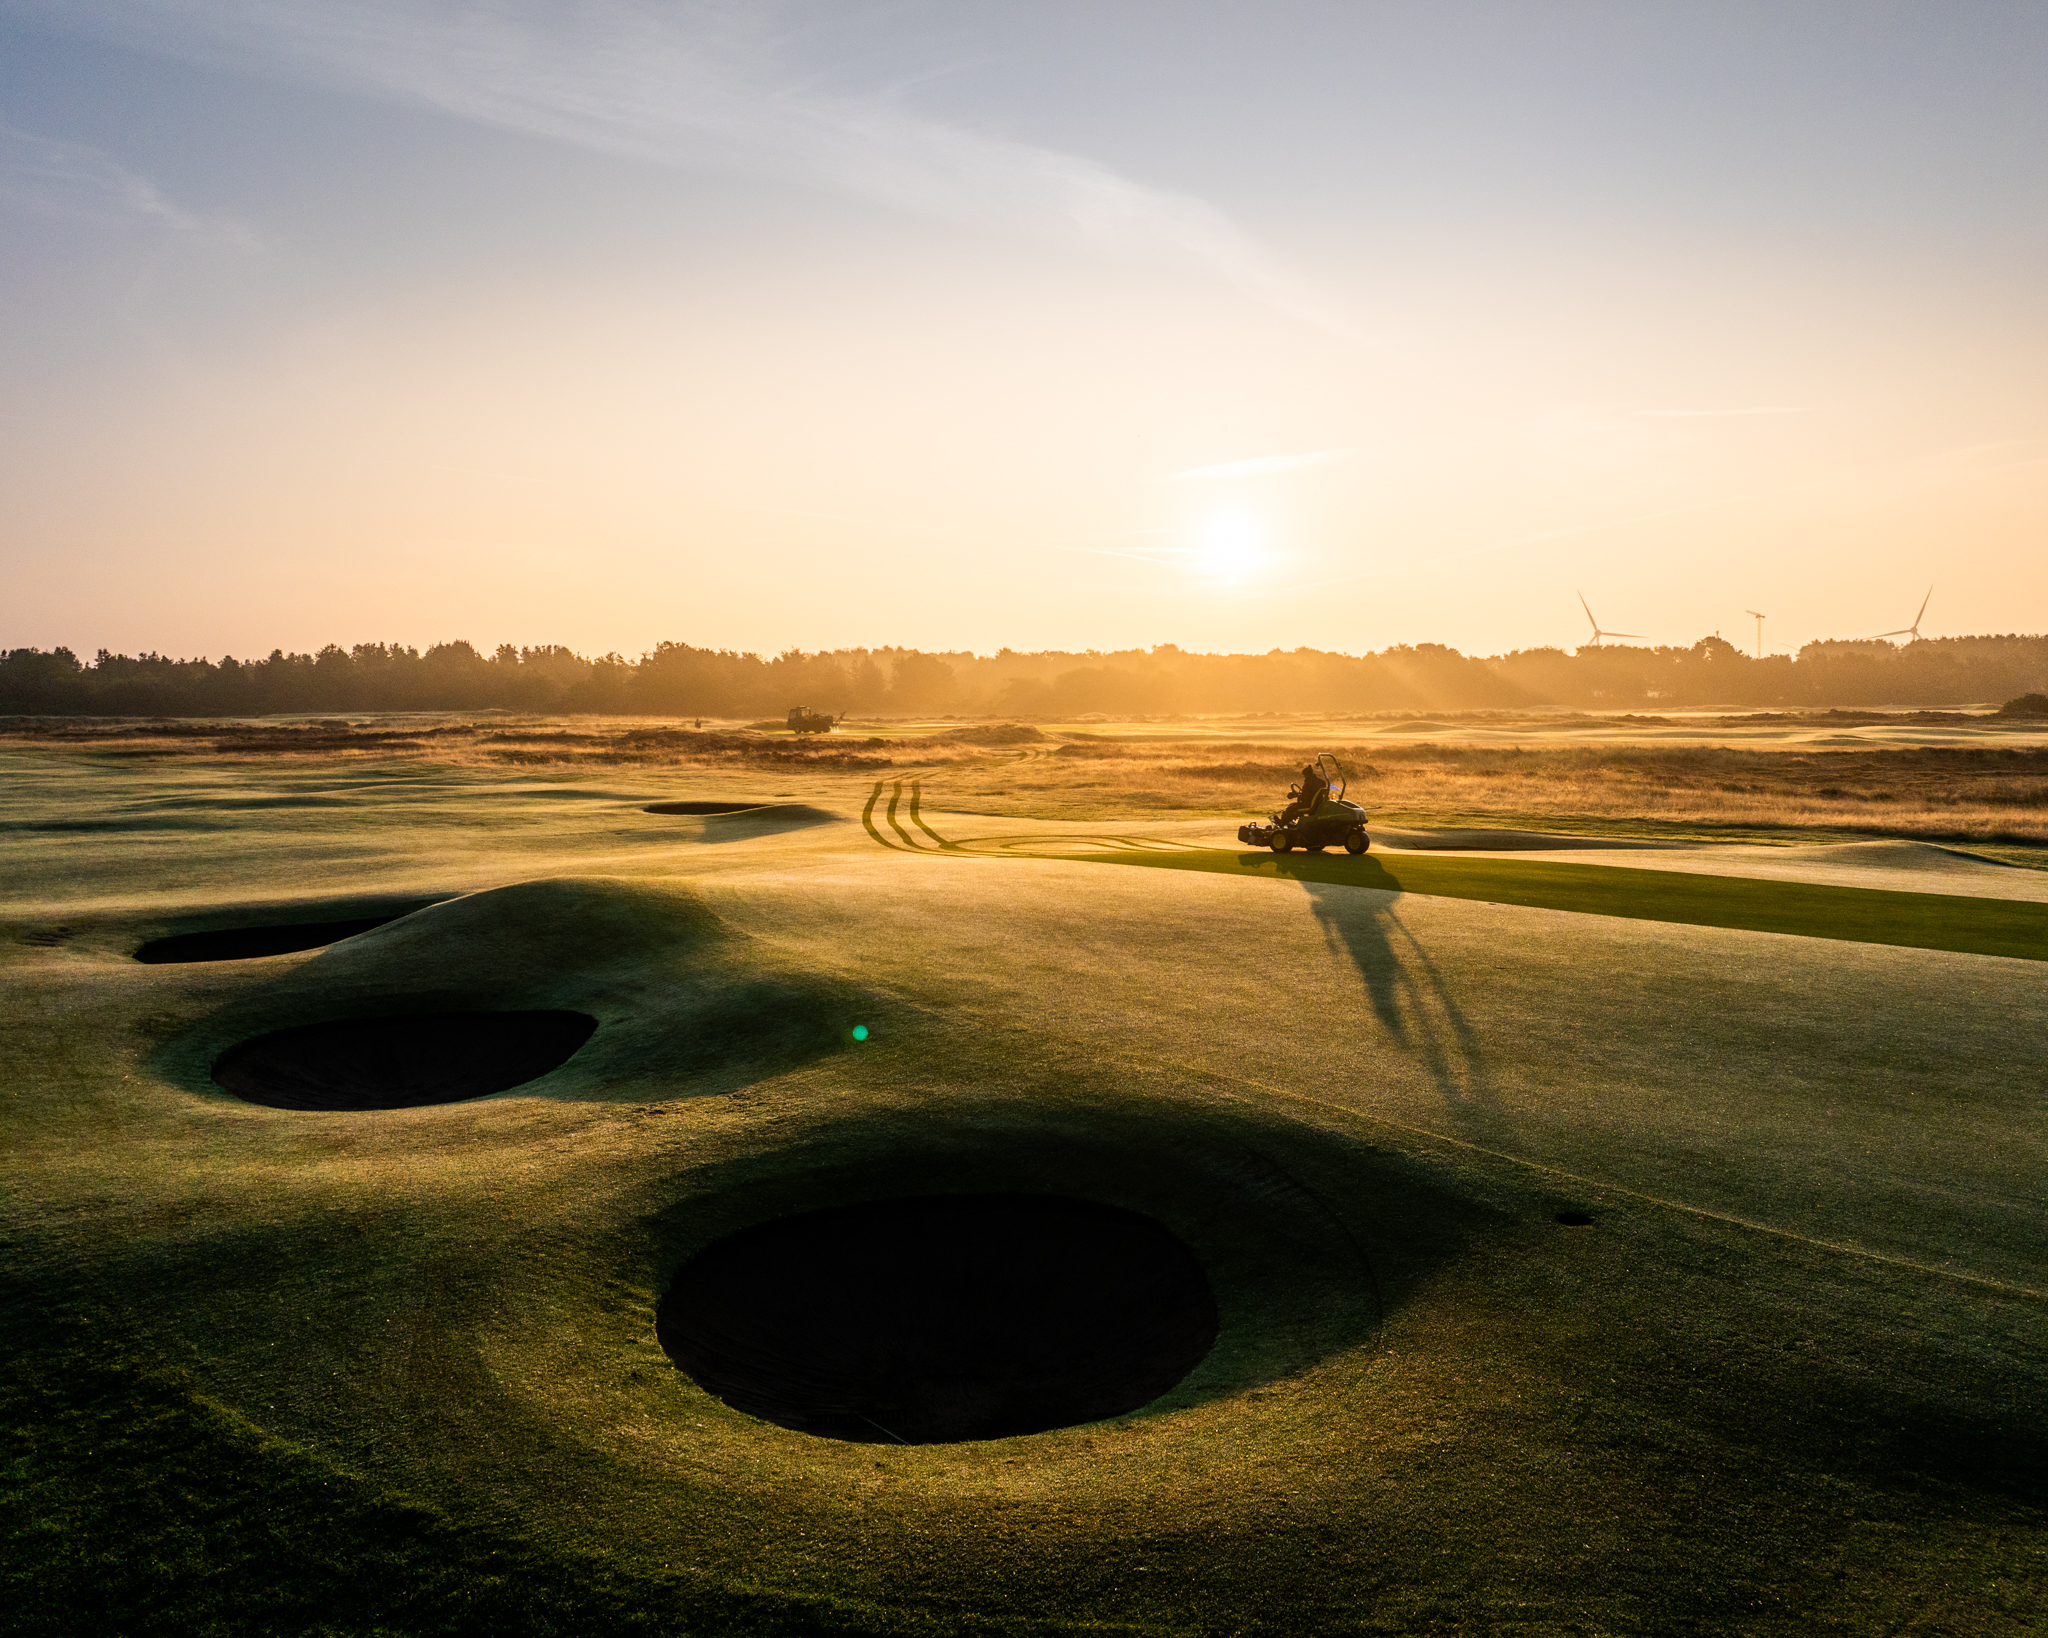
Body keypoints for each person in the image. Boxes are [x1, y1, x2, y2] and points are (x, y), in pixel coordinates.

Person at [1278, 761, 1327, 826]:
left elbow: (1305, 797)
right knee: (1294, 807)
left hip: (1309, 805)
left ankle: (1282, 823)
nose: (1304, 777)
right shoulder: (1321, 782)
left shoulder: (1308, 784)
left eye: (1304, 776)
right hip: (1318, 803)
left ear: (1307, 775)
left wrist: (1296, 795)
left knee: (1290, 808)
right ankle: (1291, 823)